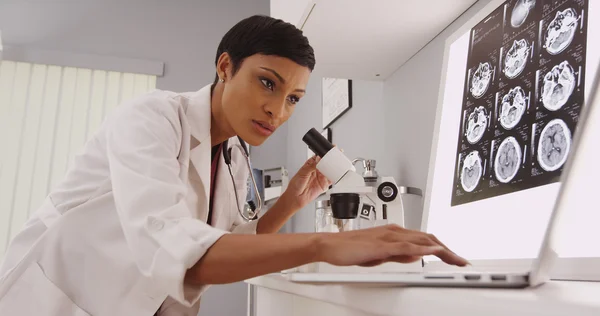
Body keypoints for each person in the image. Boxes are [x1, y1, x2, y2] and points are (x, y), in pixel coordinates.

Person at [0, 15, 467, 316]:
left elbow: (232, 245)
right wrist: (324, 245)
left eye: (293, 99)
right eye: (267, 83)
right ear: (225, 66)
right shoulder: (153, 117)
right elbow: (171, 245)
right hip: (57, 302)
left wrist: (290, 203)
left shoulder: (235, 156)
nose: (278, 111)